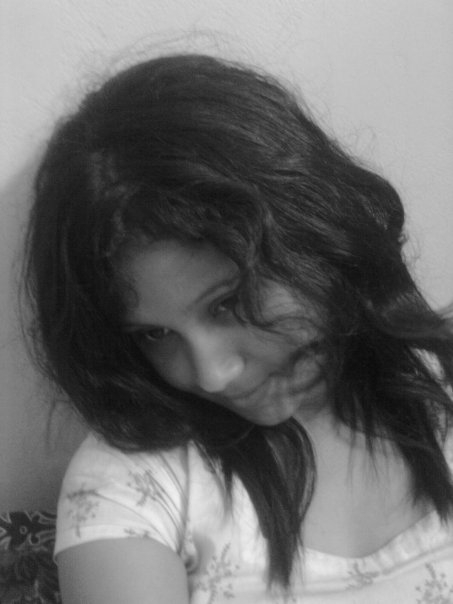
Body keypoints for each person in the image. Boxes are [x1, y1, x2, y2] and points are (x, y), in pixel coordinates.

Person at [24, 53, 453, 603]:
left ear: (316, 237)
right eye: (154, 334)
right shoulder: (135, 481)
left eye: (227, 303)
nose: (212, 374)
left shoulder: (439, 393)